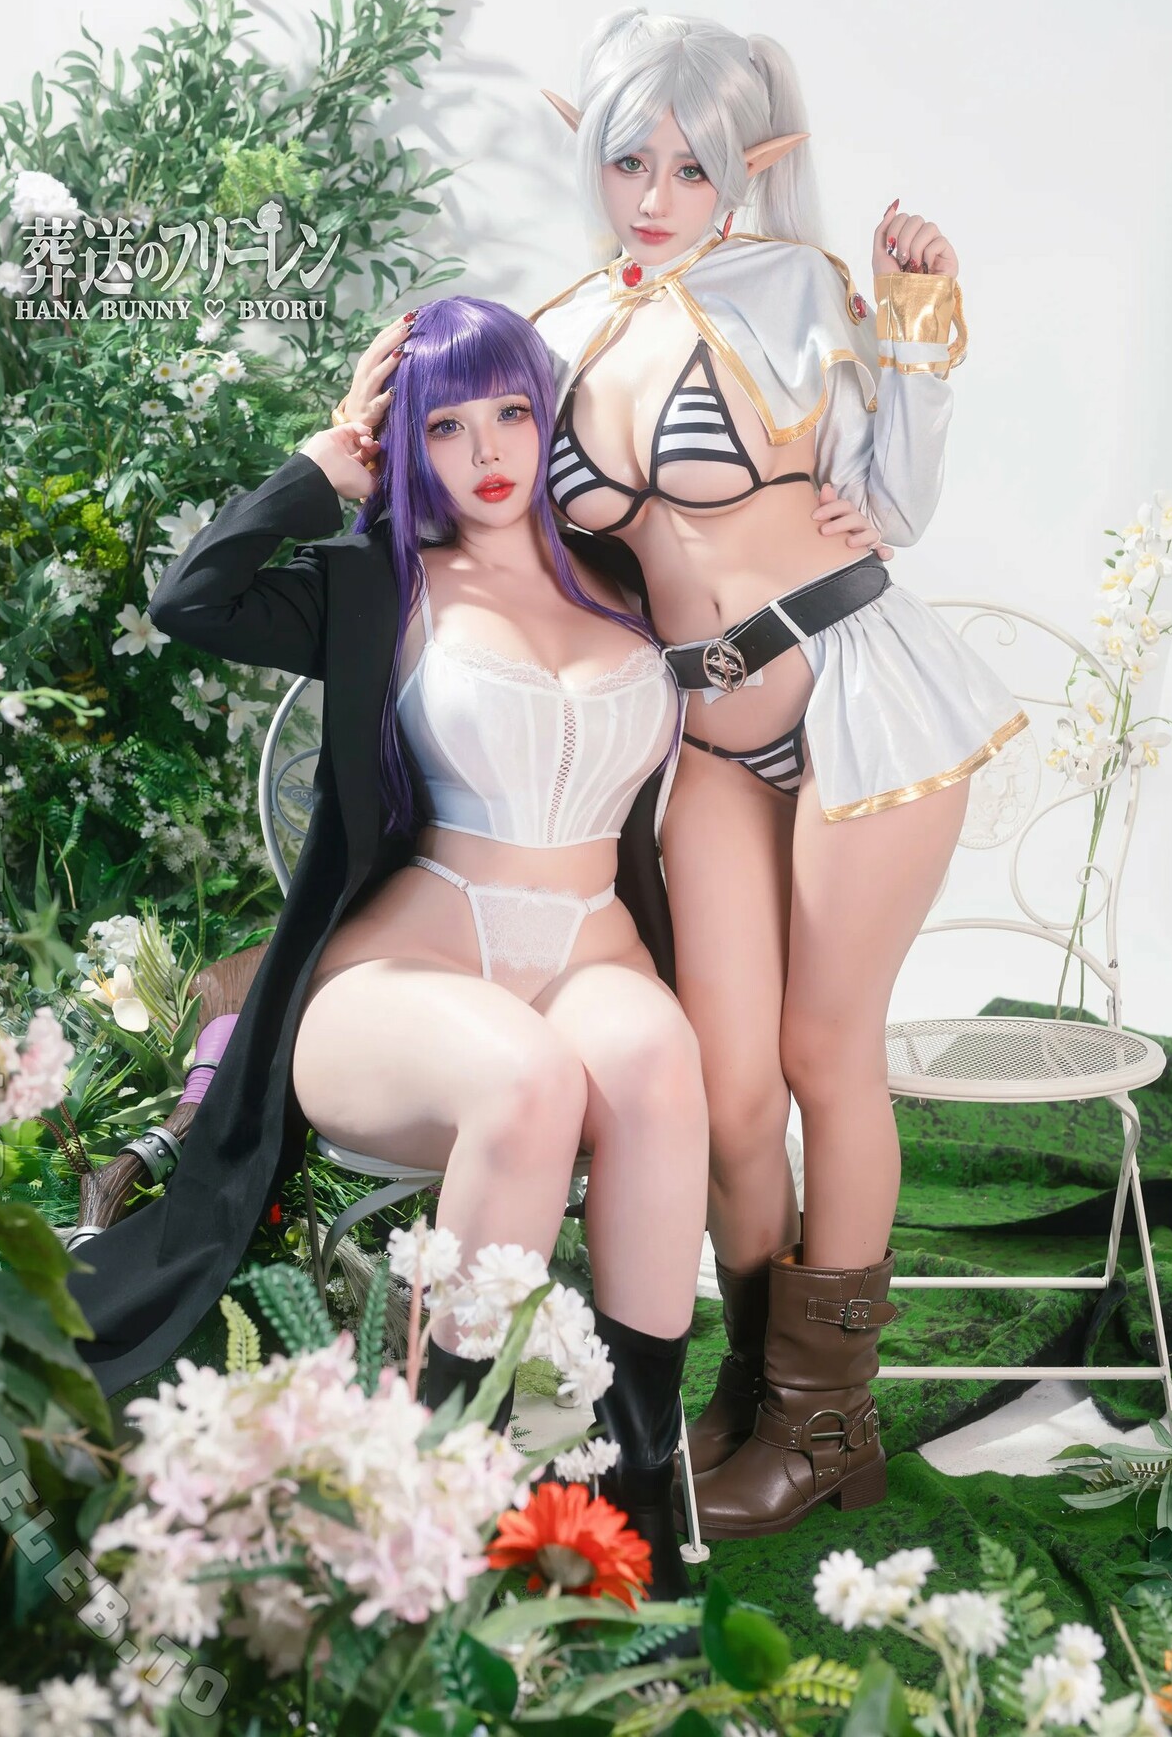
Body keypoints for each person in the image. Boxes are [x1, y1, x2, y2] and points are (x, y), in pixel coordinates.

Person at [72, 296, 715, 1597]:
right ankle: (437, 1495)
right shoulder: (380, 582)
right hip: (403, 973)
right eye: (446, 425)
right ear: (407, 442)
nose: (488, 450)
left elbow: (757, 654)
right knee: (524, 1081)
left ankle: (637, 1492)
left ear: (549, 417)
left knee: (658, 1064)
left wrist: (841, 530)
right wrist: (320, 471)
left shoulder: (625, 574)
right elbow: (192, 601)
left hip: (591, 955)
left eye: (513, 412)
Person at [520, 9, 1031, 1539]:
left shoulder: (798, 290)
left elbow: (896, 507)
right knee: (727, 1087)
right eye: (631, 159)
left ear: (756, 165)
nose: (657, 194)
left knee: (822, 1052)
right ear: (588, 151)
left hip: (862, 700)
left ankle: (825, 1428)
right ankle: (754, 1395)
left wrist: (915, 324)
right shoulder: (555, 330)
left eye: (696, 167)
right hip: (705, 738)